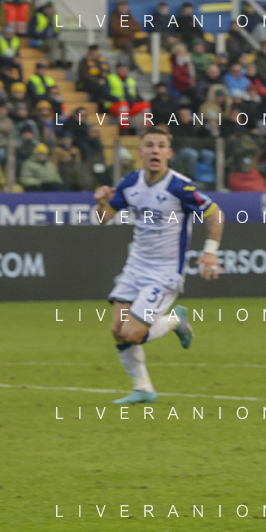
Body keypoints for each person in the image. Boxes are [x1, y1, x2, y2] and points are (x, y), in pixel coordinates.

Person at [92, 124, 224, 403]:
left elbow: (215, 213)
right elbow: (103, 218)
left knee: (132, 333)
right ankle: (143, 388)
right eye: (150, 145)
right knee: (117, 330)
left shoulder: (180, 187)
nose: (155, 150)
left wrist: (210, 252)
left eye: (161, 146)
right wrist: (101, 203)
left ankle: (175, 320)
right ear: (140, 151)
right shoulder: (130, 183)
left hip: (164, 273)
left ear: (169, 153)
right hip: (135, 266)